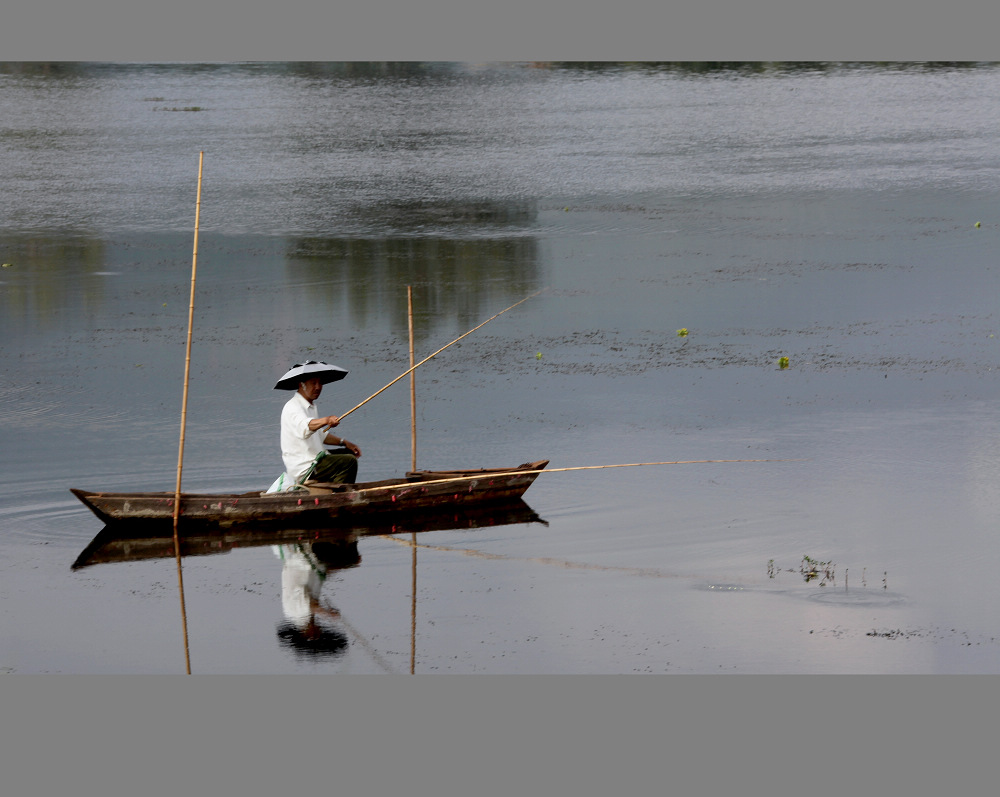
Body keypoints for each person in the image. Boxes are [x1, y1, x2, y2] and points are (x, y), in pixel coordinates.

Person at [280, 374, 362, 486]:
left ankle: (332, 490)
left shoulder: (310, 406)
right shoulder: (293, 407)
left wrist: (344, 442)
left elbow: (320, 434)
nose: (318, 387)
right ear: (301, 385)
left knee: (349, 453)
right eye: (313, 383)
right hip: (305, 467)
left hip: (316, 460)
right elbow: (306, 426)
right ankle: (338, 496)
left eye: (320, 383)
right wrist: (326, 420)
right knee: (348, 462)